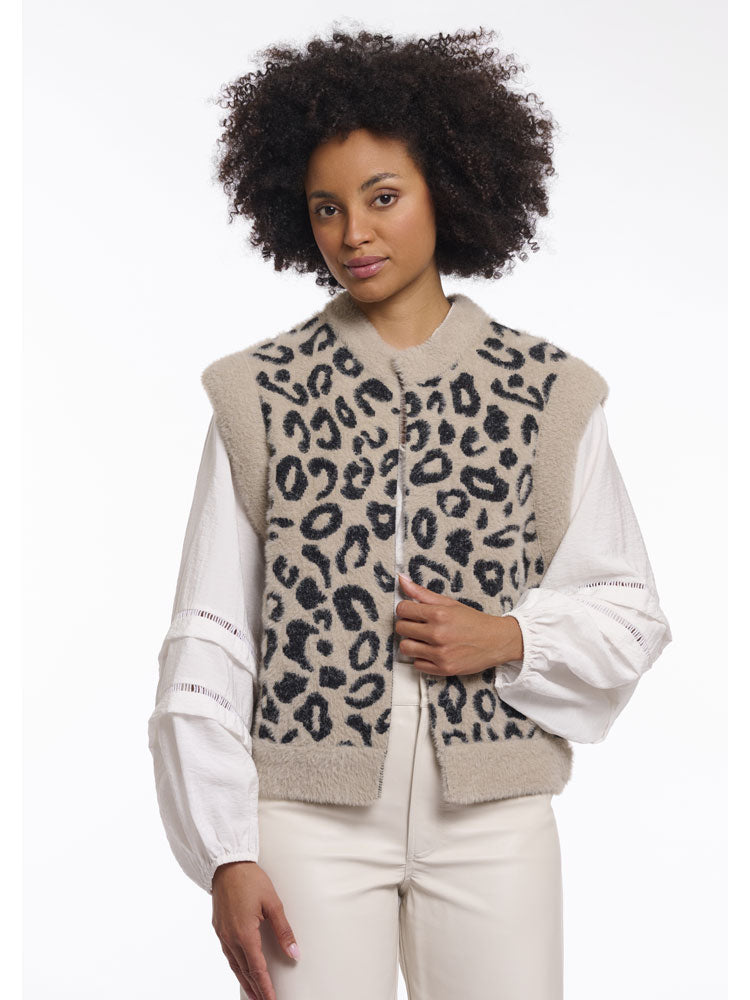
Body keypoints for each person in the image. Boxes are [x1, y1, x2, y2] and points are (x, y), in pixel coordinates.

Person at [147, 26, 672, 1000]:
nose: (354, 233)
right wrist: (225, 850)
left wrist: (508, 636)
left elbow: (630, 610)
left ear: (447, 190)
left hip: (495, 821)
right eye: (327, 208)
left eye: (383, 197)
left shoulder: (550, 395)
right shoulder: (257, 396)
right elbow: (209, 638)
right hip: (306, 820)